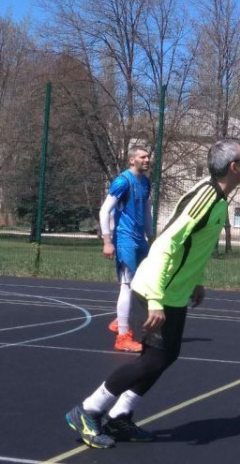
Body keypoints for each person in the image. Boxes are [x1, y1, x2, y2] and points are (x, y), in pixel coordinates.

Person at [65, 139, 240, 448]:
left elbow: (193, 246)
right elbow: (166, 244)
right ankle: (87, 410)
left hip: (174, 291)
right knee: (152, 361)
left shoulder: (217, 195)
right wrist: (154, 299)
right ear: (234, 167)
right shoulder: (206, 198)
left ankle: (120, 416)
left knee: (166, 357)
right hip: (156, 289)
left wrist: (195, 281)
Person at [100, 146, 153, 353]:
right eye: (143, 157)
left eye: (148, 156)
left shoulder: (146, 182)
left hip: (140, 240)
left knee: (145, 284)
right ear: (132, 160)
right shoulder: (123, 181)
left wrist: (152, 236)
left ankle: (119, 321)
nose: (147, 160)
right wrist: (107, 241)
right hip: (125, 239)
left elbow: (147, 211)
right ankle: (123, 336)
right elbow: (105, 210)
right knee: (128, 285)